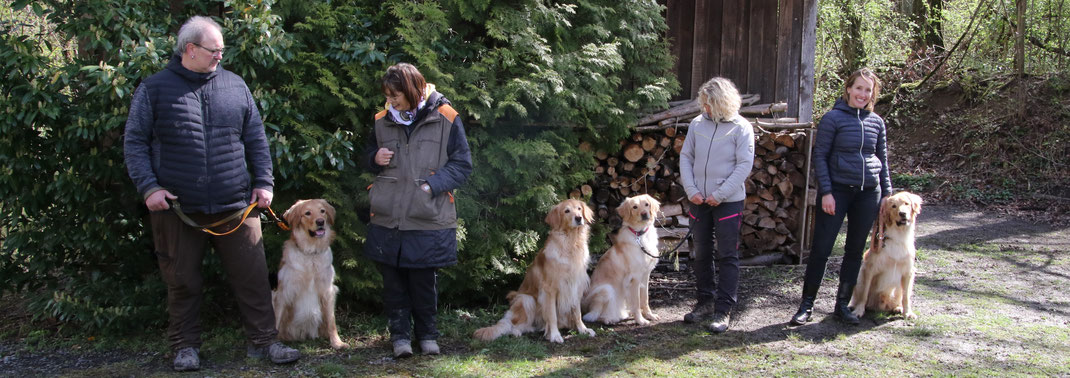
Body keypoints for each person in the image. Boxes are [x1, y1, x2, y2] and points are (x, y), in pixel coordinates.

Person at [123, 16, 300, 371]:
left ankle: (265, 342)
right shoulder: (154, 89)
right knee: (182, 282)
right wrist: (149, 187)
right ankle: (185, 347)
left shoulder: (235, 85)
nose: (221, 55)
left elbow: (256, 138)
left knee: (253, 278)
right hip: (177, 208)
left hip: (237, 206)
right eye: (214, 50)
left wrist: (264, 183)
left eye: (221, 49)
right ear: (190, 49)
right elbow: (135, 142)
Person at [363, 63, 473, 358]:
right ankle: (399, 338)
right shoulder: (381, 120)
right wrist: (374, 158)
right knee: (393, 284)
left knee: (424, 283)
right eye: (387, 96)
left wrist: (431, 186)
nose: (390, 101)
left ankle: (427, 336)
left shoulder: (447, 117)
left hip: (428, 216)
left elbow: (462, 165)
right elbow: (365, 157)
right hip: (388, 216)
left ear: (413, 90)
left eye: (395, 95)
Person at [790, 68, 892, 326]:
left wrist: (887, 194)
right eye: (859, 88)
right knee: (821, 249)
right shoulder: (832, 119)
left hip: (868, 193)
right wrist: (826, 192)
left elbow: (882, 159)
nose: (863, 94)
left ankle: (841, 306)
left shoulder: (876, 122)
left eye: (868, 90)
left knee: (855, 251)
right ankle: (806, 306)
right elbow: (820, 157)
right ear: (848, 89)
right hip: (837, 191)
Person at [679, 77, 755, 333]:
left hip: (728, 202)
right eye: (703, 103)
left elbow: (743, 166)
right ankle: (705, 302)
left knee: (727, 255)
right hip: (699, 200)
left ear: (722, 102)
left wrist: (720, 194)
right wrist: (691, 190)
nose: (705, 108)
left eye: (709, 104)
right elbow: (686, 156)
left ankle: (723, 310)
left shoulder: (741, 127)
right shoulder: (697, 124)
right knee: (701, 252)